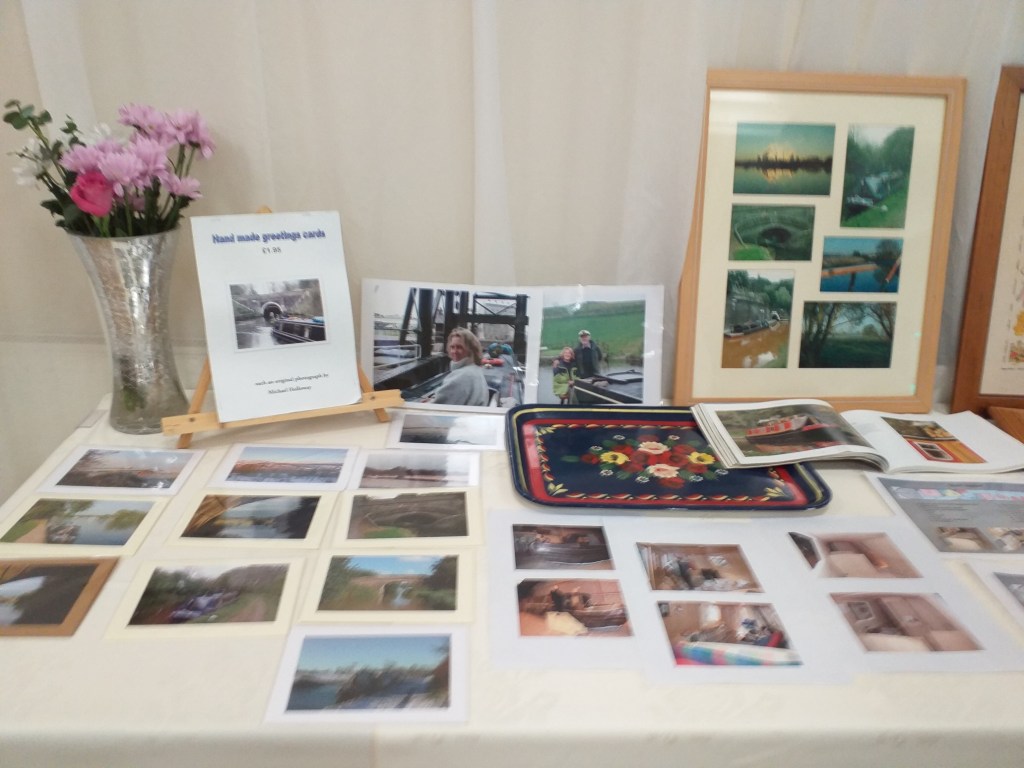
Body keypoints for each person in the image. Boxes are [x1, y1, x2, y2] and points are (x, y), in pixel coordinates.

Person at [431, 328, 490, 406]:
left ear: (471, 350)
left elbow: (435, 406)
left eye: (459, 347)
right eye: (452, 347)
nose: (454, 351)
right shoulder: (475, 369)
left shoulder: (461, 376)